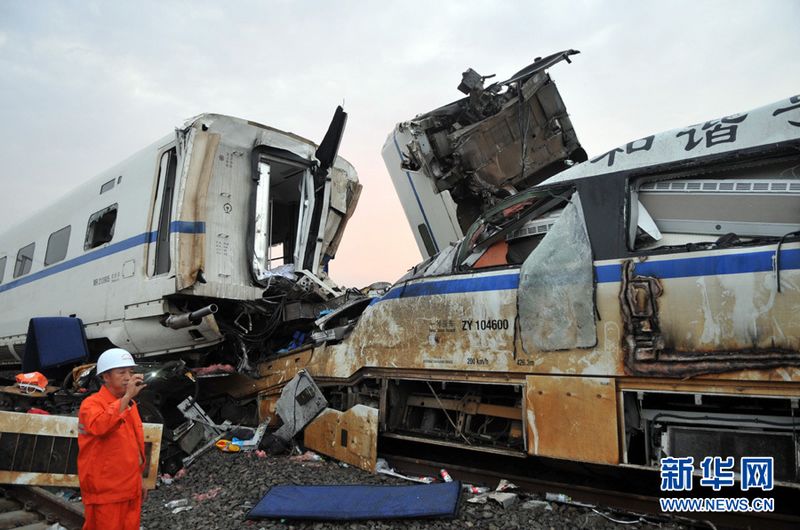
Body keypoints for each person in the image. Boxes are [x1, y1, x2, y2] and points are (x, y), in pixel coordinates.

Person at [78, 348, 147, 530]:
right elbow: (100, 426)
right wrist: (127, 397)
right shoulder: (91, 404)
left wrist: (140, 479)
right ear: (106, 377)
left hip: (129, 488)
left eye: (130, 372)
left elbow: (133, 446)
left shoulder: (129, 404)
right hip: (106, 492)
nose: (128, 377)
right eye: (121, 372)